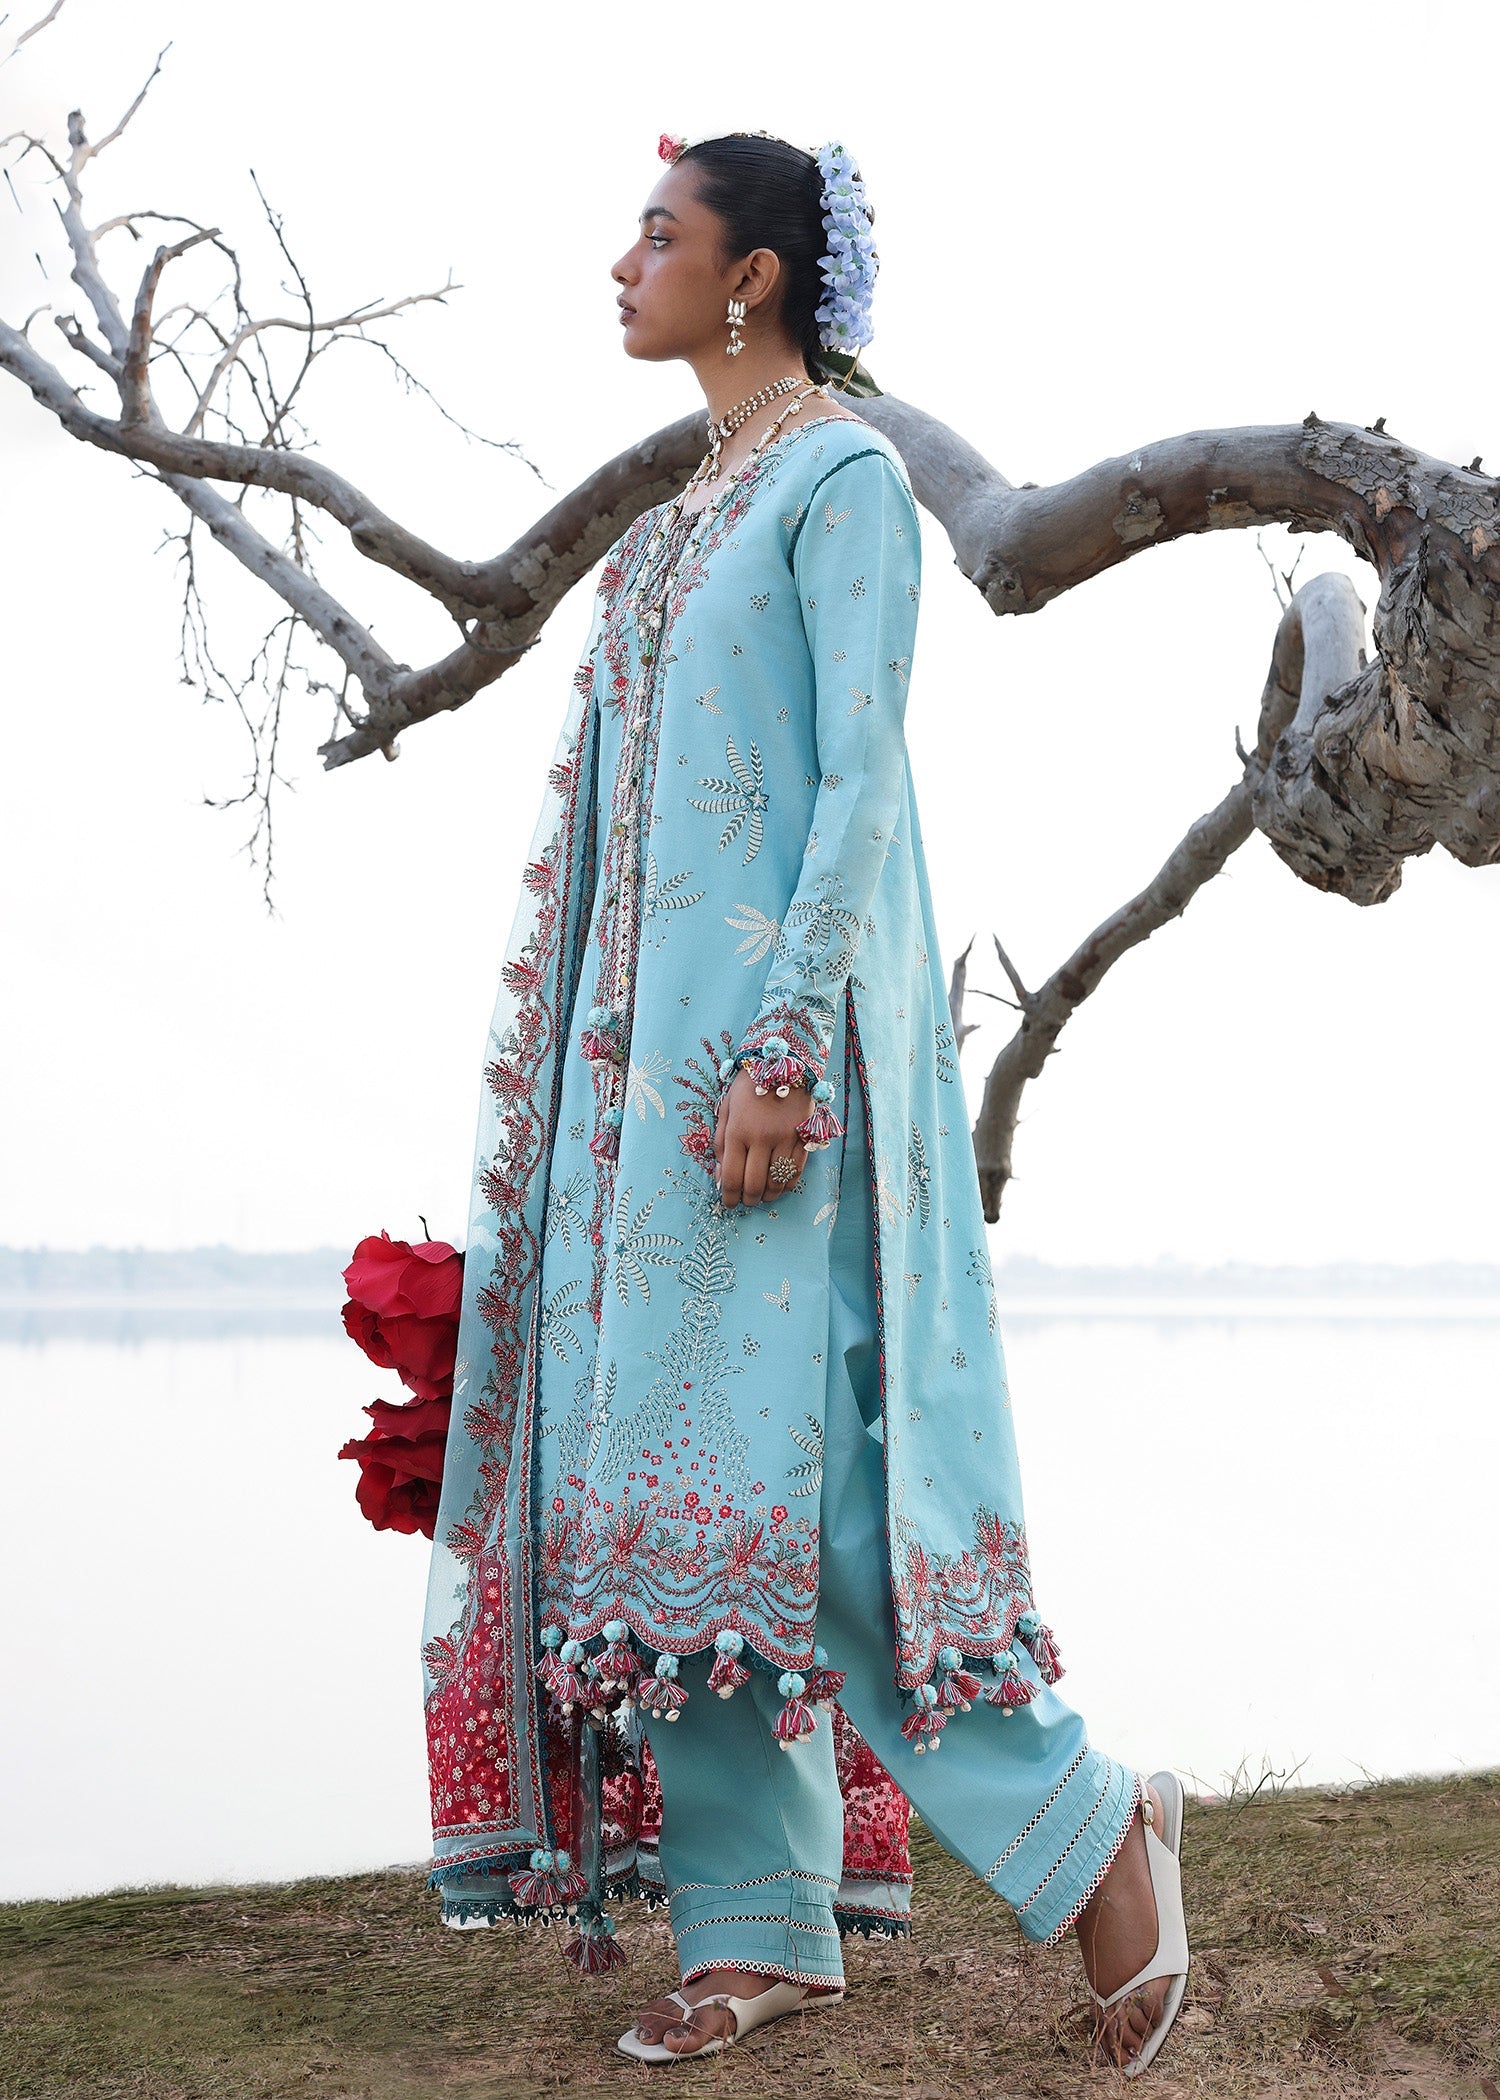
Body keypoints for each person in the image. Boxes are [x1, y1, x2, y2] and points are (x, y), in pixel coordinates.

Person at [418, 129, 1191, 2079]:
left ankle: (1092, 1829)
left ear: (750, 273)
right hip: (638, 1106)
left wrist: (781, 1055)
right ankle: (761, 1931)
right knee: (674, 1512)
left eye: (655, 235)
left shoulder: (842, 483)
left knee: (813, 1501)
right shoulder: (677, 520)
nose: (623, 266)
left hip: (775, 1078)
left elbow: (859, 781)